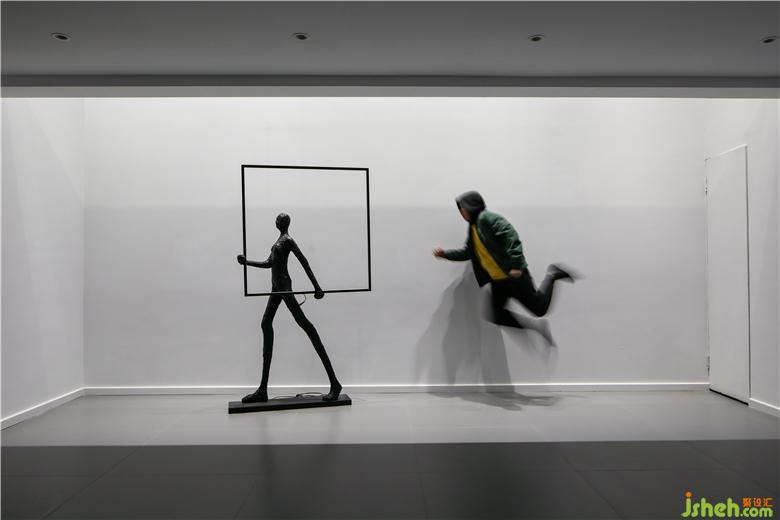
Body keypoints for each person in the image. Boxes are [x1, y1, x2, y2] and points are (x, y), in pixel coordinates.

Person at [433, 191, 576, 340]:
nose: (462, 213)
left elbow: (510, 236)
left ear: (472, 206)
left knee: (539, 309)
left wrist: (516, 265)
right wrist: (445, 254)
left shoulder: (487, 218)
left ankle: (552, 275)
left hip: (514, 276)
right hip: (498, 281)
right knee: (496, 315)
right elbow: (468, 252)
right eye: (461, 210)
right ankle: (536, 327)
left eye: (463, 209)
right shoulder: (473, 227)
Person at [237, 213, 342, 403]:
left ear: (284, 223)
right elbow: (268, 264)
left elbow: (304, 262)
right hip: (276, 288)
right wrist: (246, 263)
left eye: (278, 219)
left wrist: (317, 287)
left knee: (306, 326)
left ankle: (335, 384)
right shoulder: (277, 242)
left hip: (284, 287)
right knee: (266, 324)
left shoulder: (287, 241)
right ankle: (262, 390)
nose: (276, 221)